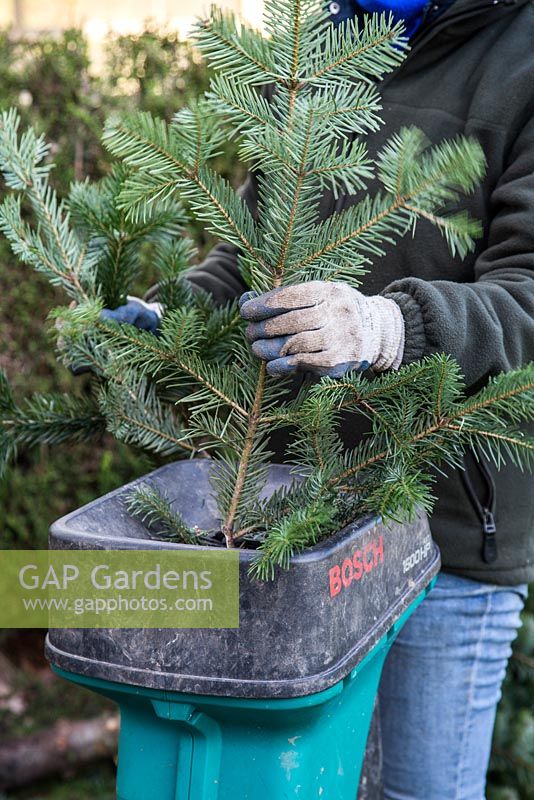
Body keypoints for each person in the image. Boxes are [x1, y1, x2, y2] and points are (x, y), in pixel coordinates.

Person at [103, 0, 534, 796]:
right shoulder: (316, 43)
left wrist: (385, 327)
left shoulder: (521, 53)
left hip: (445, 536)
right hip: (291, 526)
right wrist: (170, 323)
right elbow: (255, 257)